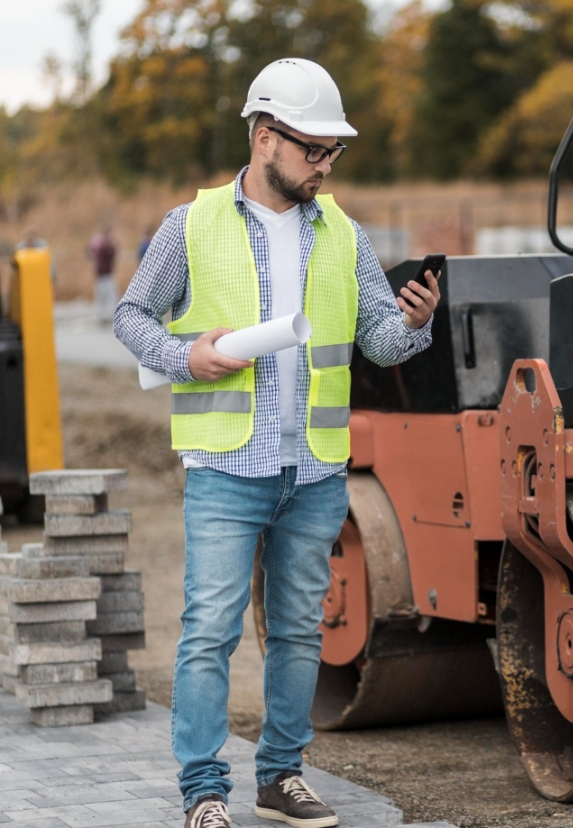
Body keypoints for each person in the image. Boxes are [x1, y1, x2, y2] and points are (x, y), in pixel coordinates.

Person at [113, 58, 441, 828]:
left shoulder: (345, 235)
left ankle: (280, 778)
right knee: (209, 634)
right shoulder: (190, 224)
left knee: (298, 631)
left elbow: (379, 342)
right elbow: (131, 317)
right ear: (266, 138)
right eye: (313, 150)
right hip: (226, 467)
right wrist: (187, 356)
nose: (326, 165)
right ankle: (202, 791)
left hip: (316, 471)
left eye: (334, 153)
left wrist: (415, 326)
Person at [87, 225, 117, 324]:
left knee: (108, 296)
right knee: (103, 297)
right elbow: (112, 253)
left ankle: (105, 315)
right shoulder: (102, 245)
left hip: (105, 274)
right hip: (103, 274)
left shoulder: (97, 244)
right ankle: (100, 316)